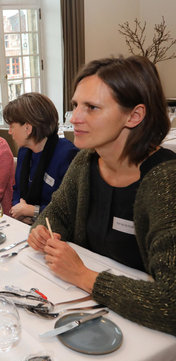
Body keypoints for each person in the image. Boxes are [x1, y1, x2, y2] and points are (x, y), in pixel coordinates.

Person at [27, 56, 176, 335]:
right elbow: (56, 213)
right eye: (75, 106)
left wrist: (83, 275)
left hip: (146, 333)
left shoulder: (166, 182)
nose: (74, 118)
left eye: (92, 108)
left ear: (134, 116)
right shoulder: (85, 162)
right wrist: (44, 233)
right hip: (93, 315)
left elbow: (172, 302)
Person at [4, 93, 78, 223]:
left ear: (28, 128)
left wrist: (32, 211)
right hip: (27, 225)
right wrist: (19, 209)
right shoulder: (23, 152)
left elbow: (70, 209)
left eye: (12, 126)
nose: (10, 132)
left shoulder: (67, 155)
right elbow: (17, 190)